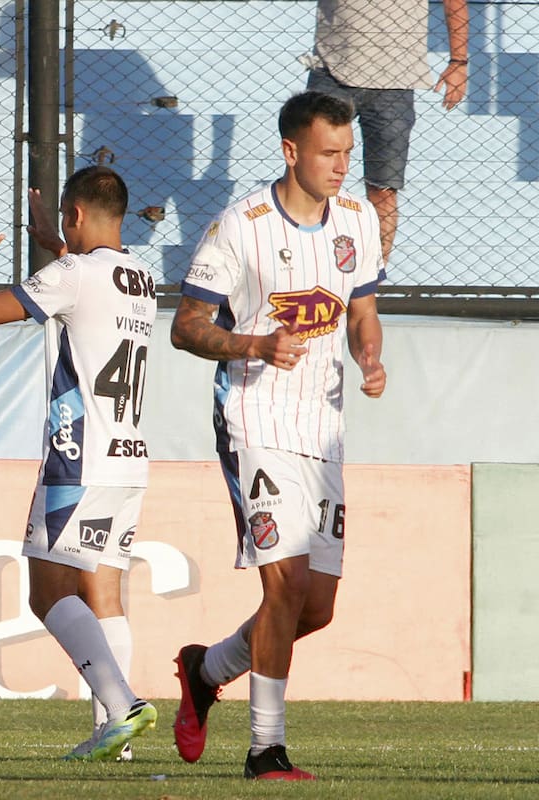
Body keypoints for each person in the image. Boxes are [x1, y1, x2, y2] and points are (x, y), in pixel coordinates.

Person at [169, 91, 387, 780]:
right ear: (292, 150)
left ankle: (206, 671)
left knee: (315, 607)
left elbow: (363, 312)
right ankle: (266, 749)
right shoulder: (241, 227)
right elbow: (186, 326)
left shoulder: (358, 220)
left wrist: (371, 355)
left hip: (322, 432)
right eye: (329, 152)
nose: (340, 166)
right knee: (285, 582)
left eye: (348, 153)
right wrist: (255, 343)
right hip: (255, 421)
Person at [0, 165, 159, 762]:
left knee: (46, 594)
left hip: (79, 457)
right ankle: (114, 738)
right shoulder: (140, 276)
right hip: (127, 459)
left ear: (73, 215)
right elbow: (89, 278)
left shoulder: (73, 272)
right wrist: (59, 244)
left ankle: (122, 706)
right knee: (105, 594)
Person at [303, 0, 469, 263]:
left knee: (384, 189)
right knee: (313, 181)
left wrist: (458, 61)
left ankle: (373, 279)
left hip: (396, 82)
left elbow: (455, 2)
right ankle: (310, 272)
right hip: (332, 71)